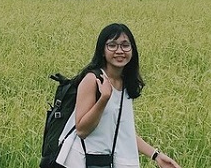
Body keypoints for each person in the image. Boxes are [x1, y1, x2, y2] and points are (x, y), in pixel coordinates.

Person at [55, 23, 182, 168]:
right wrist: (103, 99)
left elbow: (123, 131)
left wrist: (156, 155)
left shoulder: (125, 83)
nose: (119, 51)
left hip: (104, 162)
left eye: (125, 45)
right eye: (112, 45)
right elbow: (82, 130)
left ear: (132, 50)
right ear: (102, 50)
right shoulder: (92, 79)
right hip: (80, 160)